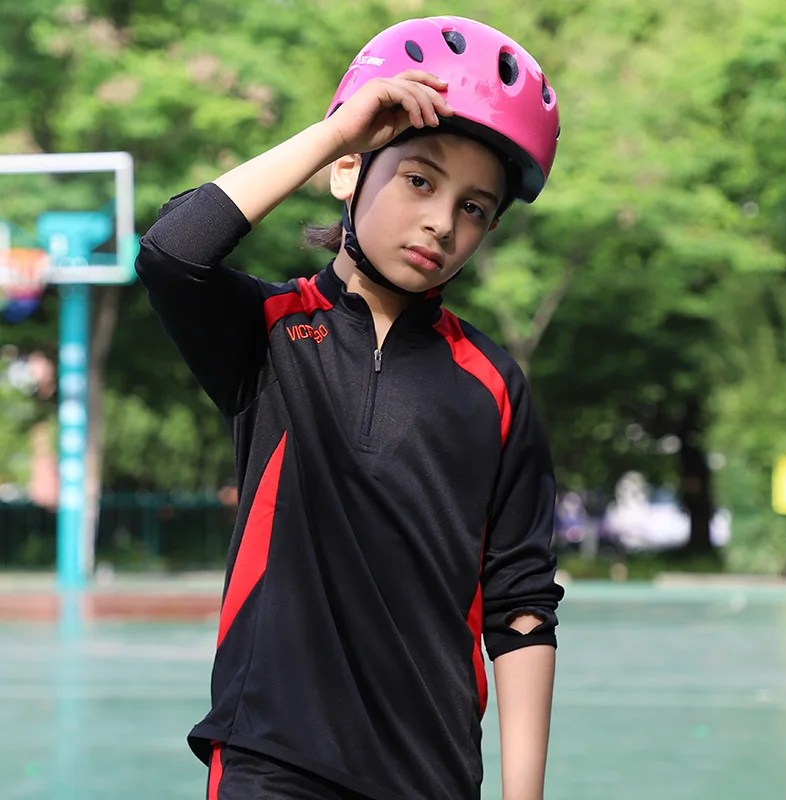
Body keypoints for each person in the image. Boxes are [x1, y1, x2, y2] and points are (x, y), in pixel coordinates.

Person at [136, 15, 564, 800]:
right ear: (348, 172)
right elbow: (172, 251)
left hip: (431, 775)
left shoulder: (495, 387)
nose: (441, 221)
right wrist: (336, 133)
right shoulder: (269, 334)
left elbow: (523, 604)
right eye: (419, 180)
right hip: (270, 759)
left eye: (474, 207)